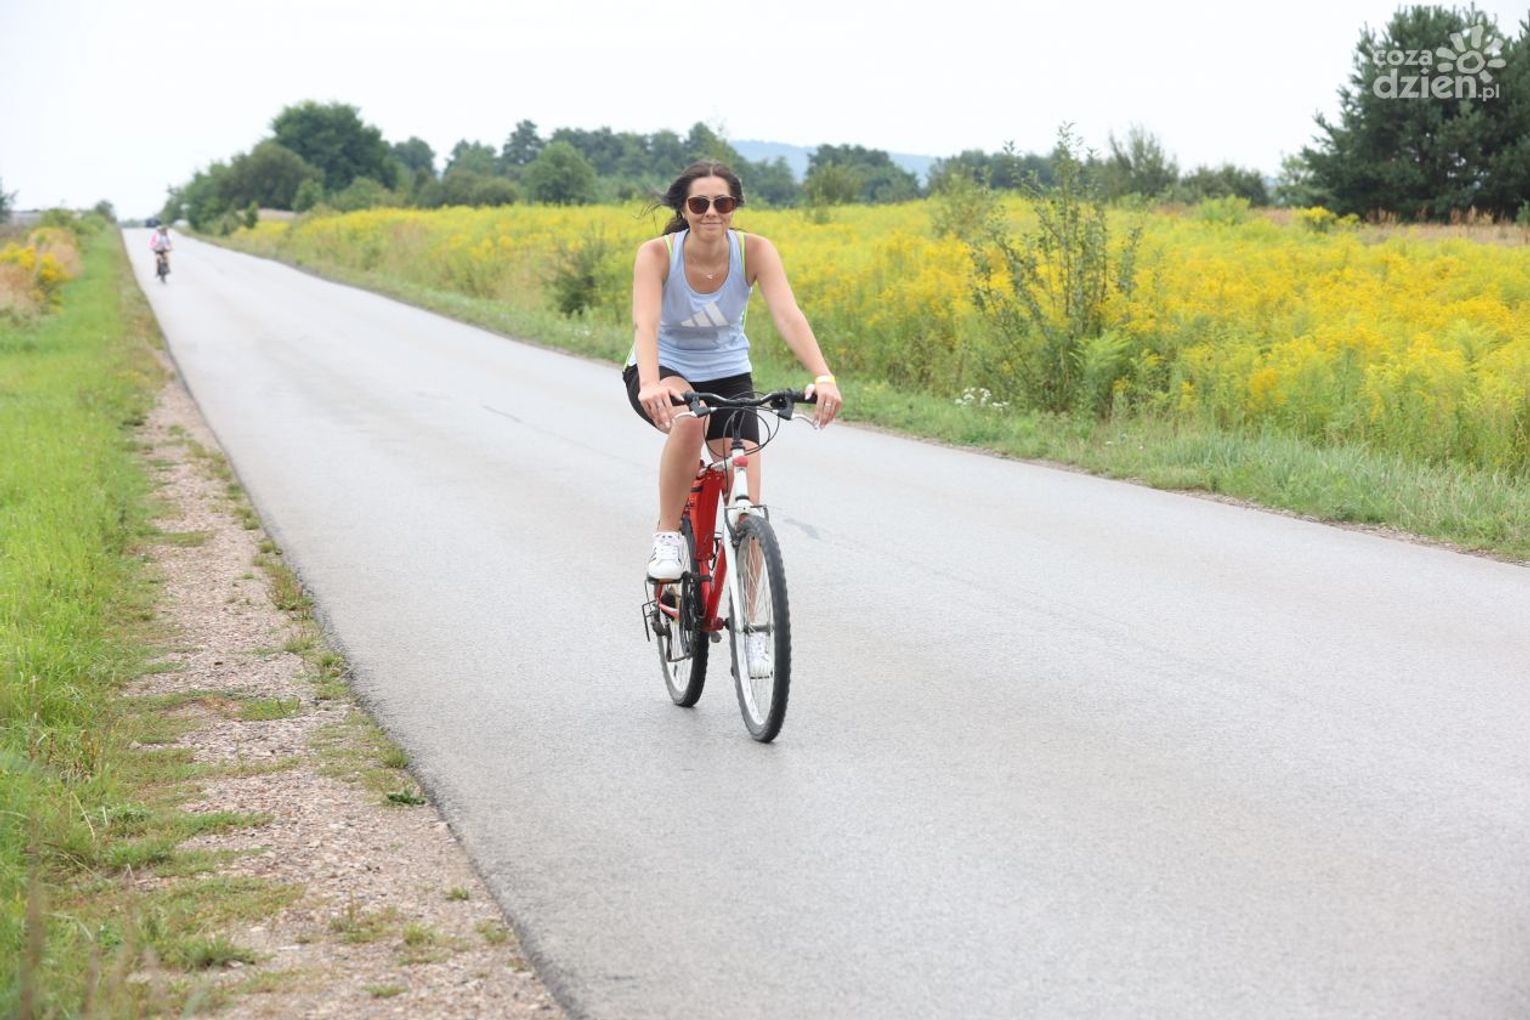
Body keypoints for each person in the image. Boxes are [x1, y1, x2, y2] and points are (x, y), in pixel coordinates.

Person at [625, 160, 842, 585]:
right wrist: (649, 383)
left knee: (747, 503)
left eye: (722, 203)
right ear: (683, 208)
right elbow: (645, 324)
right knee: (691, 421)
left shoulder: (754, 251)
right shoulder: (657, 254)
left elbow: (788, 315)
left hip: (728, 373)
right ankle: (667, 535)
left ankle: (753, 613)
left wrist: (824, 376)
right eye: (699, 204)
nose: (711, 212)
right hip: (664, 367)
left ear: (734, 207)